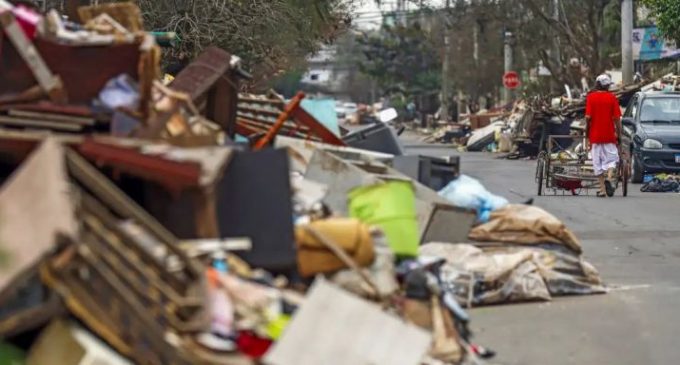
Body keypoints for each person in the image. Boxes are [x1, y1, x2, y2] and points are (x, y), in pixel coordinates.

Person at [585, 74, 622, 197]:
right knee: (612, 160)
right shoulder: (612, 98)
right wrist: (619, 133)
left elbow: (588, 117)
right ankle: (610, 179)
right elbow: (617, 119)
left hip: (595, 136)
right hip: (609, 135)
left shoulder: (591, 97)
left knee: (597, 163)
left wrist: (587, 131)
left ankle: (602, 190)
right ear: (607, 86)